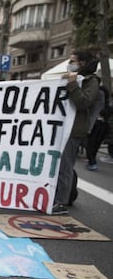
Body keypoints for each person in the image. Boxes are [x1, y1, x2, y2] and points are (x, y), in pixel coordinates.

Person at [52, 50, 100, 215]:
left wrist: (72, 84)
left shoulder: (91, 81)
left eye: (73, 61)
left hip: (74, 129)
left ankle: (61, 202)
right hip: (61, 127)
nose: (70, 63)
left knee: (65, 165)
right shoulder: (74, 77)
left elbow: (83, 102)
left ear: (83, 63)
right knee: (56, 164)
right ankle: (55, 194)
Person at [85, 85, 110, 170]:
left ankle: (92, 162)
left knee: (90, 144)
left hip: (96, 125)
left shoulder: (98, 101)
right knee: (95, 144)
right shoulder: (107, 105)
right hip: (103, 126)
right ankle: (91, 160)